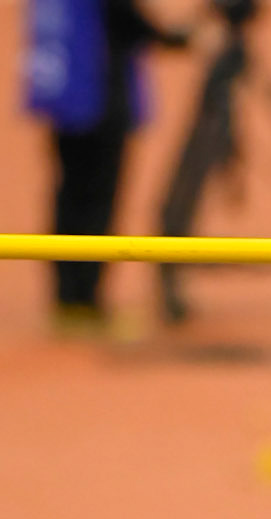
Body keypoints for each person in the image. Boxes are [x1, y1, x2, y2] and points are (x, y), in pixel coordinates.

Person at [23, 0, 191, 329]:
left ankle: (70, 299)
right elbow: (125, 18)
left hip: (67, 93)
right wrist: (174, 38)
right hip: (97, 97)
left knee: (70, 194)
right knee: (94, 200)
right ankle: (83, 301)